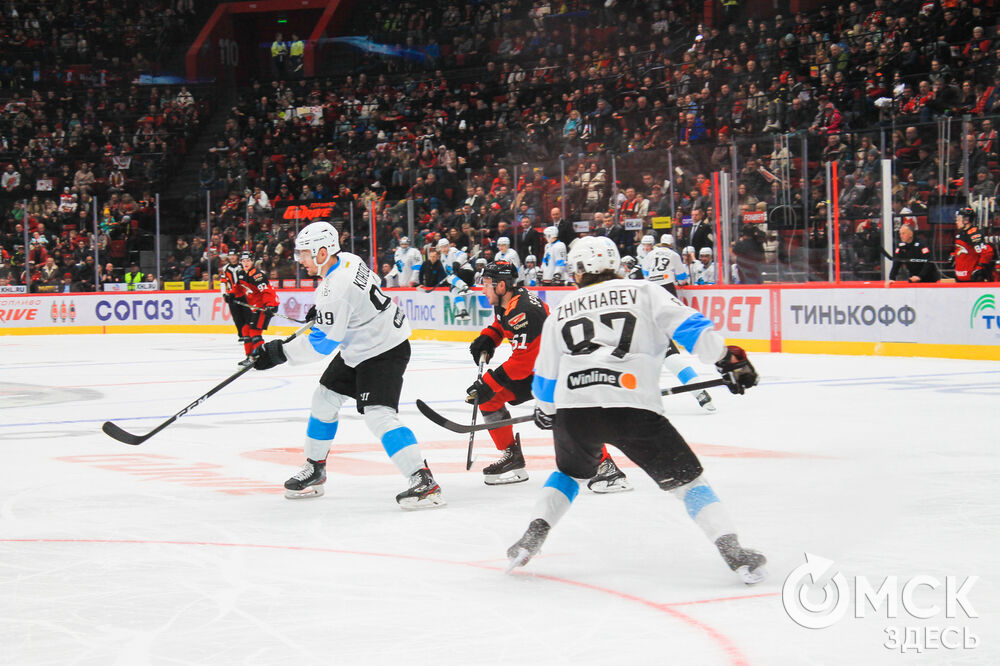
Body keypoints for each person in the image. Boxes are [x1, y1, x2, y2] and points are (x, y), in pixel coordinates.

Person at [505, 236, 766, 583]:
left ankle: (531, 537)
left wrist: (546, 410)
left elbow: (546, 376)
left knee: (570, 474)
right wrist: (724, 358)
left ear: (578, 270)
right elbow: (691, 329)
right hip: (632, 407)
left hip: (575, 411)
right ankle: (733, 552)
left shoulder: (563, 310)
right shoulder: (644, 291)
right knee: (688, 483)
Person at [252, 221, 444, 509]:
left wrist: (279, 353)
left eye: (304, 253)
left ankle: (423, 480)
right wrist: (328, 313)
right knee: (324, 399)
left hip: (383, 349)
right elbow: (369, 287)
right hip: (363, 344)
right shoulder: (348, 260)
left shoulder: (334, 290)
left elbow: (323, 344)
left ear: (322, 251)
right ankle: (315, 468)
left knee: (378, 416)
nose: (300, 259)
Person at [469, 260, 632, 491]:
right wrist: (490, 337)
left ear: (502, 286)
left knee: (568, 415)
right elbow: (501, 324)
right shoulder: (507, 301)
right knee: (489, 398)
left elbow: (524, 361)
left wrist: (490, 381)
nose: (483, 289)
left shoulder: (525, 311)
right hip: (538, 369)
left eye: (486, 284)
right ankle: (512, 458)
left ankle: (608, 468)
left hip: (558, 369)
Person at [641, 234, 715, 413]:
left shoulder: (650, 254)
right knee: (669, 353)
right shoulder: (673, 255)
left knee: (657, 354)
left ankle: (642, 397)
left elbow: (645, 274)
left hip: (649, 295)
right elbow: (682, 277)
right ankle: (701, 394)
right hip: (667, 291)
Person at [229, 252, 279, 358]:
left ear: (253, 262)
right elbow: (238, 287)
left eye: (248, 261)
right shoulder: (242, 274)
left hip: (266, 307)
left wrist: (269, 305)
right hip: (257, 307)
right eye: (243, 261)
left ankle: (261, 357)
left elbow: (266, 291)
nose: (246, 263)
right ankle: (250, 357)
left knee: (254, 332)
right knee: (245, 330)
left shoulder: (257, 276)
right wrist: (232, 295)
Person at [953, 207, 995, 281]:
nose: (956, 222)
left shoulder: (973, 234)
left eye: (958, 219)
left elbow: (987, 252)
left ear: (966, 220)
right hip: (961, 277)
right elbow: (964, 249)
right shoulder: (961, 233)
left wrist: (980, 267)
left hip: (971, 278)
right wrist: (954, 255)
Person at [437, 237, 472, 320]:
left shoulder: (453, 250)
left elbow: (462, 254)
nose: (444, 249)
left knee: (450, 278)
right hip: (458, 278)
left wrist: (457, 262)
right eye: (442, 247)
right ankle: (463, 311)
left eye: (446, 246)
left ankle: (465, 288)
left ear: (448, 246)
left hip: (467, 272)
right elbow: (448, 271)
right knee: (453, 290)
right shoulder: (442, 257)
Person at [220, 249, 246, 341]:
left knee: (245, 315)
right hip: (232, 296)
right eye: (230, 256)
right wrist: (224, 294)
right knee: (236, 316)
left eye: (234, 255)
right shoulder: (225, 268)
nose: (232, 257)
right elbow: (223, 282)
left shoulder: (242, 266)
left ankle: (247, 333)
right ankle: (241, 334)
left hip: (244, 294)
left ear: (237, 256)